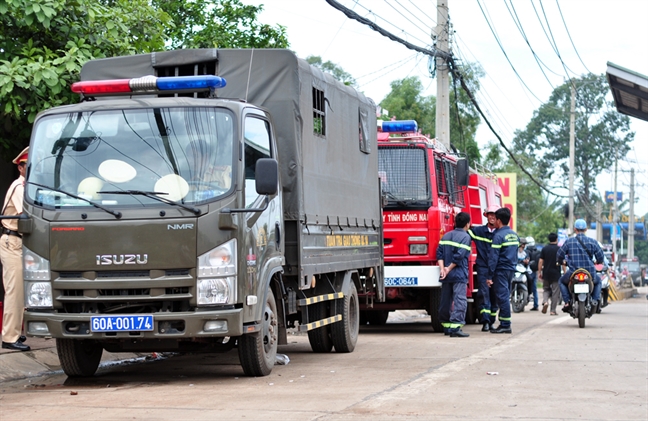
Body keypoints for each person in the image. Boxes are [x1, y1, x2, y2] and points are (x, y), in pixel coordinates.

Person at [1, 147, 30, 351]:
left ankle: (16, 333)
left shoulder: (26, 186)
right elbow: (25, 214)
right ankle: (9, 337)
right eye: (27, 166)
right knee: (14, 290)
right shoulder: (19, 187)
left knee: (22, 290)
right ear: (20, 167)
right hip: (12, 240)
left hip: (20, 241)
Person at [556, 219, 604, 313]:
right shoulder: (592, 242)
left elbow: (559, 255)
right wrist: (598, 261)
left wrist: (561, 261)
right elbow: (601, 257)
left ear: (575, 229)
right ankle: (594, 300)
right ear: (586, 229)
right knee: (598, 282)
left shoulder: (569, 242)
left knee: (561, 281)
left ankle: (567, 302)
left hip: (574, 272)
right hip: (589, 272)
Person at [437, 212, 472, 338]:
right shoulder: (465, 237)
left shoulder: (446, 235)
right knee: (459, 300)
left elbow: (439, 254)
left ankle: (447, 327)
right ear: (467, 224)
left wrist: (443, 269)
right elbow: (459, 256)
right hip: (458, 273)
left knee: (445, 299)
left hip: (446, 275)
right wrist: (449, 268)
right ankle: (456, 327)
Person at [486, 207, 519, 334]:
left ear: (498, 220)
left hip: (500, 270)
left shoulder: (498, 236)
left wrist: (489, 275)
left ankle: (505, 324)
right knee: (505, 296)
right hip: (510, 269)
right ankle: (505, 323)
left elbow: (493, 258)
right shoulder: (514, 235)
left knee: (502, 297)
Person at [468, 204, 499, 331]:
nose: (492, 217)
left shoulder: (501, 233)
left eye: (494, 214)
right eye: (490, 214)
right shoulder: (479, 231)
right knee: (483, 293)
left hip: (497, 268)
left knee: (495, 294)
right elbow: (464, 233)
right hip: (483, 268)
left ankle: (492, 319)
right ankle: (486, 321)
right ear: (486, 215)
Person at [538, 232, 561, 315]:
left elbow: (541, 261)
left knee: (546, 289)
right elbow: (563, 263)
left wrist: (539, 272)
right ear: (556, 239)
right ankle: (553, 310)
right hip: (556, 274)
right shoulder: (559, 249)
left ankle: (545, 301)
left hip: (546, 273)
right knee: (555, 291)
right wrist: (565, 273)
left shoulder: (545, 249)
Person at [525, 236, 540, 311]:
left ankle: (526, 298)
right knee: (534, 289)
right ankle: (536, 304)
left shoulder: (527, 251)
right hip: (535, 271)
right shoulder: (537, 250)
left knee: (527, 287)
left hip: (527, 271)